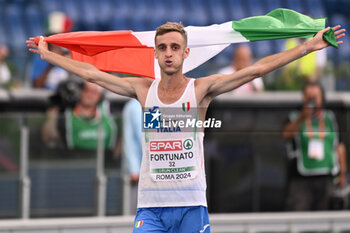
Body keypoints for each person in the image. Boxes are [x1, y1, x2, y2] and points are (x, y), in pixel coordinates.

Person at [27, 22, 345, 232]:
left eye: (175, 47)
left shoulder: (201, 89)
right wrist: (50, 57)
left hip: (191, 205)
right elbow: (92, 74)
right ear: (155, 53)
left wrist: (307, 47)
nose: (168, 53)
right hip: (151, 207)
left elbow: (255, 70)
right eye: (163, 47)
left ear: (185, 53)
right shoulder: (142, 90)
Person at [282, 81, 347, 211]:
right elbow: (286, 134)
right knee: (300, 214)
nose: (312, 100)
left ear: (322, 97)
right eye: (308, 96)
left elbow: (339, 145)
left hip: (325, 177)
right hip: (301, 179)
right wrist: (302, 117)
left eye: (315, 96)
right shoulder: (294, 116)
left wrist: (342, 173)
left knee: (324, 218)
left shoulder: (330, 117)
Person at [42, 80, 118, 152]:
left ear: (99, 96)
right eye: (87, 90)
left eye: (94, 92)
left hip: (104, 161)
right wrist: (52, 116)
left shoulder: (108, 111)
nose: (90, 95)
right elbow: (49, 139)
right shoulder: (66, 113)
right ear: (80, 92)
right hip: (73, 160)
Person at [122, 98, 143, 215]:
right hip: (138, 174)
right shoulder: (135, 105)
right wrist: (133, 169)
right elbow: (141, 139)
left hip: (149, 172)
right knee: (135, 217)